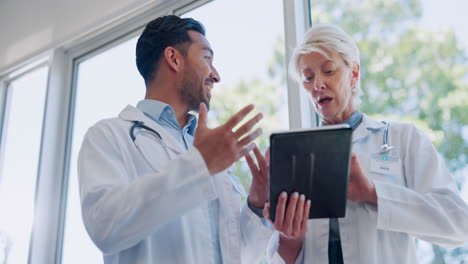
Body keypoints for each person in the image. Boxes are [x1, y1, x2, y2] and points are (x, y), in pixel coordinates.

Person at [254, 24, 468, 264]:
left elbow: (459, 224)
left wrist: (373, 194)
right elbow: (284, 258)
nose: (318, 85)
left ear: (353, 73)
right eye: (308, 77)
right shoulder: (296, 157)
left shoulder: (403, 139)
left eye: (329, 70)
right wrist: (288, 235)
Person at [77, 15, 274, 264]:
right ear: (173, 59)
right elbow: (105, 226)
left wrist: (256, 205)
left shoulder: (208, 149)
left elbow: (239, 254)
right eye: (207, 58)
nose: (216, 75)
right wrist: (198, 165)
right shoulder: (108, 137)